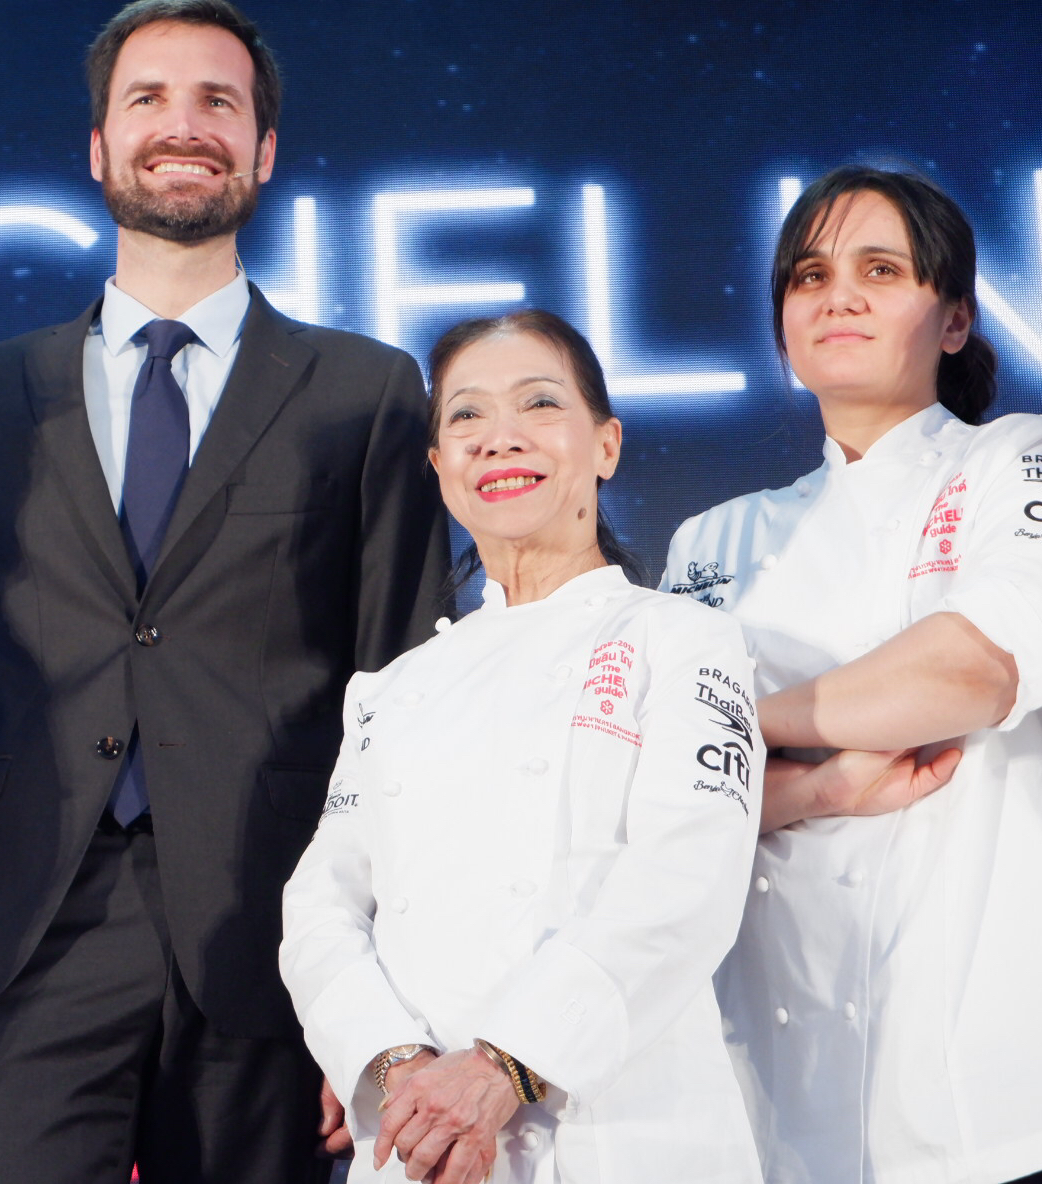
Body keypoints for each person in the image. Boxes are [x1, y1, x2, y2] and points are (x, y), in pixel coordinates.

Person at [0, 1, 450, 1179]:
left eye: (217, 102)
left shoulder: (366, 389)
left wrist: (386, 1001)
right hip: (23, 930)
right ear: (98, 146)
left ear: (263, 151)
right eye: (148, 98)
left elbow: (405, 689)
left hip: (279, 936)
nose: (181, 126)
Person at [281, 310, 765, 1183]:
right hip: (419, 1142)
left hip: (623, 1133)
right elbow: (320, 907)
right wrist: (397, 1067)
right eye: (465, 416)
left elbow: (687, 875)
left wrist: (505, 1066)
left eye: (539, 404)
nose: (498, 438)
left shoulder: (683, 639)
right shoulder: (392, 690)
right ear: (438, 469)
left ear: (606, 445)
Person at [662, 165, 1042, 1183]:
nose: (835, 295)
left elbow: (975, 665)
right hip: (771, 1091)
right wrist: (831, 779)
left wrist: (744, 726)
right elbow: (667, 803)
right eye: (808, 275)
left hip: (988, 1092)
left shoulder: (1019, 461)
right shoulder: (711, 537)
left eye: (880, 269)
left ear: (957, 320)